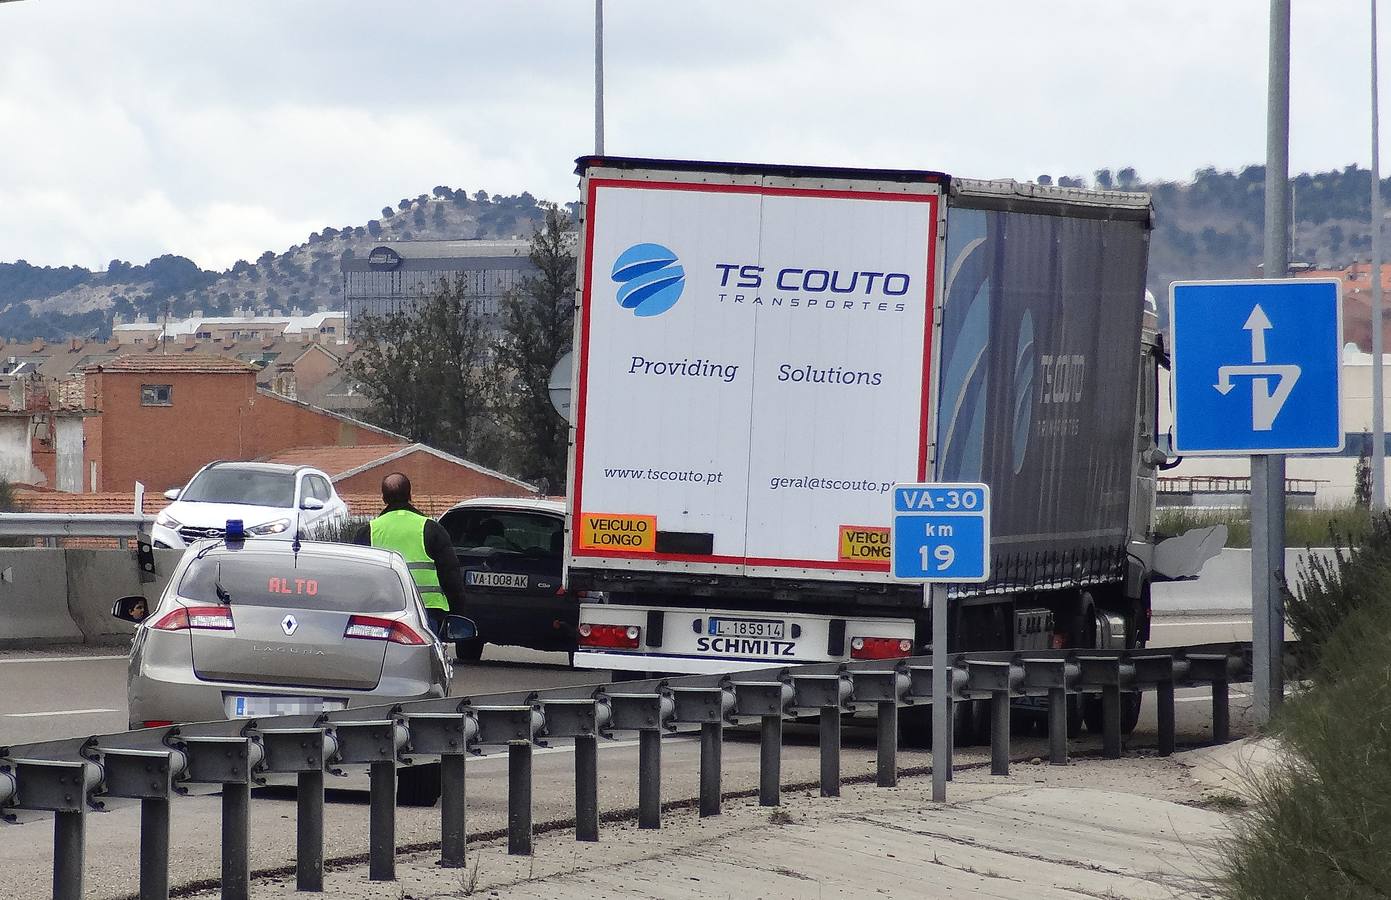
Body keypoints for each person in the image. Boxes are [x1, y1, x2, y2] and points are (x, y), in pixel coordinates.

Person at [355, 472, 466, 637]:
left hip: (382, 611)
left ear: (384, 498)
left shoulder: (368, 531)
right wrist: (458, 612)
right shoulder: (431, 528)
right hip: (427, 611)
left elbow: (358, 577)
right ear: (410, 495)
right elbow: (450, 574)